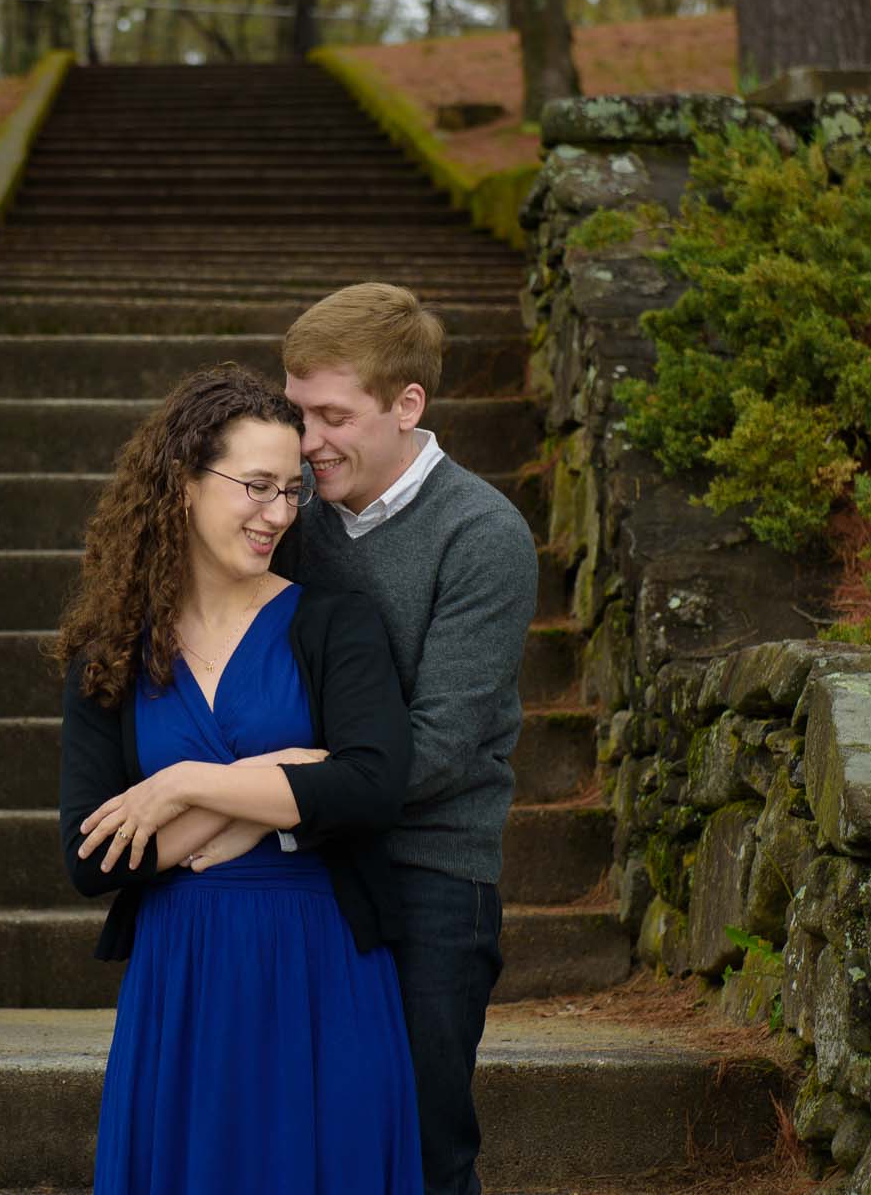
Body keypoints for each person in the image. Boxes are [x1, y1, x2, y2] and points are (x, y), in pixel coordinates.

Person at [57, 364, 422, 1195]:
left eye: (293, 492)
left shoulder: (334, 622)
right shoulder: (110, 652)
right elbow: (89, 856)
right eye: (256, 487)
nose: (279, 515)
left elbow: (371, 786)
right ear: (184, 483)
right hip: (182, 981)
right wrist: (283, 775)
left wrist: (186, 785)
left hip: (320, 967)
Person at [275, 283, 540, 1195]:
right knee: (313, 1137)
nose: (308, 443)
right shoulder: (292, 527)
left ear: (407, 405)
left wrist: (270, 800)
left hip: (430, 875)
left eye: (333, 416)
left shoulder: (482, 533)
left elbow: (438, 745)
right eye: (298, 412)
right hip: (306, 865)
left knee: (423, 1147)